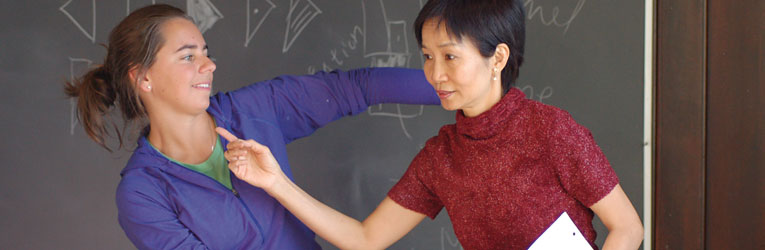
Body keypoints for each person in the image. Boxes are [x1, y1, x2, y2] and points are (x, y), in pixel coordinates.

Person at [220, 0, 644, 249]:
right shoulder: (441, 157)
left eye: (450, 56)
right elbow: (366, 238)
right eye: (427, 56)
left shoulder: (550, 130)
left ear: (497, 58)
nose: (435, 73)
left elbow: (628, 228)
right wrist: (275, 181)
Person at [64, 4, 439, 249]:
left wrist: (468, 90)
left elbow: (356, 87)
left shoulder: (254, 110)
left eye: (206, 53)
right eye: (188, 56)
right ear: (142, 78)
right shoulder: (143, 193)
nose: (208, 65)